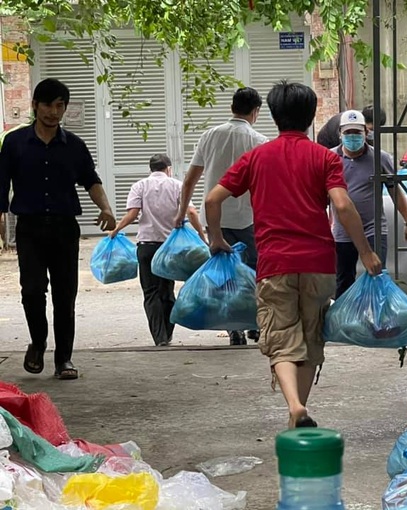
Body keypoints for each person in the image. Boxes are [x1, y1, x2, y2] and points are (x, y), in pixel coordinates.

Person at [204, 80, 382, 429]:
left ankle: (294, 406)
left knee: (282, 338)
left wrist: (217, 239)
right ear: (312, 115)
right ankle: (298, 411)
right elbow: (342, 205)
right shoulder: (324, 157)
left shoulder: (256, 157)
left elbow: (212, 200)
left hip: (275, 264)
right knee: (311, 337)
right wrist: (367, 253)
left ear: (272, 116)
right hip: (318, 264)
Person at [0, 78, 116, 380]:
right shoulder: (14, 143)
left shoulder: (74, 145)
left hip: (65, 229)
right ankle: (38, 343)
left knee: (66, 296)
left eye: (59, 106)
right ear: (35, 106)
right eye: (48, 105)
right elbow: (1, 188)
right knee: (32, 291)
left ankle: (64, 359)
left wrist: (106, 208)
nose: (54, 111)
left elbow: (91, 179)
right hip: (30, 229)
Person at [174, 87, 267, 346]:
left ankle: (232, 327)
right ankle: (253, 324)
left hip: (214, 218)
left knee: (223, 277)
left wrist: (181, 213)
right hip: (248, 218)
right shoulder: (260, 141)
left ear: (232, 107)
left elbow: (190, 179)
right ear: (255, 111)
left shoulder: (210, 136)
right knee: (252, 273)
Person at [109, 154, 205, 347]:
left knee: (151, 293)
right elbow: (192, 212)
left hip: (147, 247)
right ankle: (167, 334)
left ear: (150, 168)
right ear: (168, 168)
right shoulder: (178, 185)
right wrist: (202, 237)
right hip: (172, 249)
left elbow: (133, 214)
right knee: (167, 291)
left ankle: (159, 337)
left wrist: (117, 229)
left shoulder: (140, 186)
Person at [331, 110, 407, 298]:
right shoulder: (329, 159)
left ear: (366, 132)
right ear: (340, 134)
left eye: (357, 132)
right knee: (343, 280)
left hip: (374, 230)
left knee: (377, 277)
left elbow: (395, 191)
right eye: (348, 133)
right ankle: (344, 323)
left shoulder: (380, 158)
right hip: (342, 232)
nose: (352, 136)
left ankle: (377, 322)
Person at [316, 105, 386, 149]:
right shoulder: (348, 125)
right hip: (328, 141)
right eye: (371, 129)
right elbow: (346, 149)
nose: (372, 132)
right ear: (364, 121)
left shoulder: (364, 119)